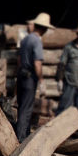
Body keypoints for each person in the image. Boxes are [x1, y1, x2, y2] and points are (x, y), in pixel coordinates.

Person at [15, 12, 55, 141]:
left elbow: (19, 59)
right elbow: (37, 64)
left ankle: (24, 135)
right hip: (29, 78)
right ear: (44, 28)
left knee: (22, 106)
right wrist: (42, 80)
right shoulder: (37, 41)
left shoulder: (26, 39)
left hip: (22, 75)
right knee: (26, 109)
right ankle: (20, 138)